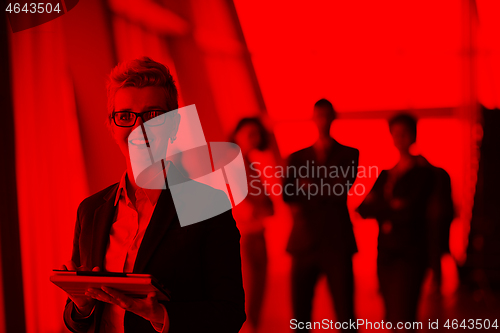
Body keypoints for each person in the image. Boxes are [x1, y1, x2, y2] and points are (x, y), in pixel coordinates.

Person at [61, 57, 246, 333]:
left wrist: (161, 315)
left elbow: (230, 313)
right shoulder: (90, 210)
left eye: (152, 116)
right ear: (112, 126)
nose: (139, 128)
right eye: (125, 116)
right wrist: (81, 307)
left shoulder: (209, 207)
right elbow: (79, 323)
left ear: (173, 127)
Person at [283, 99, 358, 332]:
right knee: (300, 317)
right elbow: (288, 194)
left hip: (336, 242)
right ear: (314, 118)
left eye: (327, 116)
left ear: (334, 118)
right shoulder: (296, 157)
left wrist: (308, 186)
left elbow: (340, 189)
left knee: (346, 315)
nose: (323, 121)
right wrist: (325, 186)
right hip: (305, 242)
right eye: (320, 116)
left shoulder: (350, 153)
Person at [357, 114, 434, 331]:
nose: (399, 137)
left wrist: (382, 205)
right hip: (386, 252)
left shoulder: (424, 174)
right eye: (395, 133)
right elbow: (363, 208)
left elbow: (410, 213)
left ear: (413, 136)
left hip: (410, 253)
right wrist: (393, 205)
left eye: (404, 133)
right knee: (391, 314)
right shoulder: (385, 174)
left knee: (404, 315)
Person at [231, 118, 274, 333]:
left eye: (256, 134)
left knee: (257, 302)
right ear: (236, 135)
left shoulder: (253, 167)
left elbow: (270, 207)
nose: (253, 139)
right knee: (246, 304)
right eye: (249, 134)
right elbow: (248, 209)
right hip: (243, 239)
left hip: (258, 236)